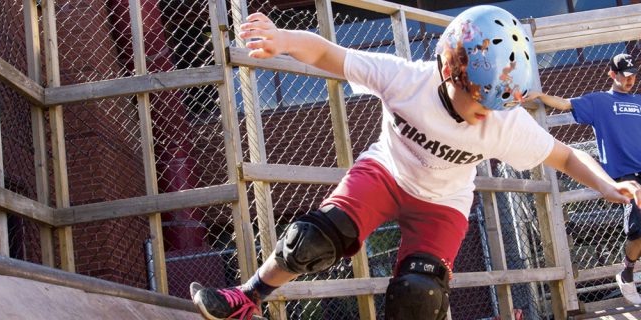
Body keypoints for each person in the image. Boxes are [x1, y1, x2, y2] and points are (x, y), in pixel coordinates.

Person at [190, 6, 641, 320]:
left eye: (498, 103)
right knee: (311, 240)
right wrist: (284, 39)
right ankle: (246, 298)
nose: (487, 113)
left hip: (443, 204)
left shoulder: (505, 120)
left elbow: (565, 154)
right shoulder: (406, 79)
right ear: (449, 70)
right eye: (480, 102)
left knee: (419, 297)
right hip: (385, 173)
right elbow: (331, 53)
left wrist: (606, 184)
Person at [526, 53, 641, 305]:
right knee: (638, 229)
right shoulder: (599, 101)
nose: (631, 79)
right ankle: (628, 270)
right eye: (625, 75)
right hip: (627, 176)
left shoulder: (639, 101)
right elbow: (566, 104)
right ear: (612, 74)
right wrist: (540, 97)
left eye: (633, 75)